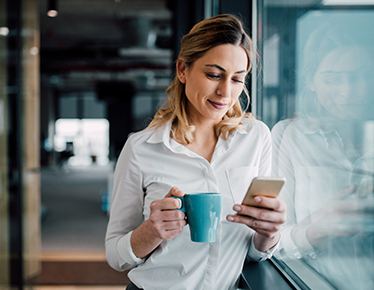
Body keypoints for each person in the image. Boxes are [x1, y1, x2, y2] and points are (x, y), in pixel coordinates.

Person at [105, 14, 286, 290]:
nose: (225, 92)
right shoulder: (142, 148)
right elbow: (115, 256)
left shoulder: (256, 137)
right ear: (182, 70)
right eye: (214, 75)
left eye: (237, 79)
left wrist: (269, 234)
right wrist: (151, 232)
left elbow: (252, 250)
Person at [272, 16, 374, 289]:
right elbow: (271, 242)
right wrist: (323, 227)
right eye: (332, 80)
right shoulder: (288, 137)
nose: (349, 91)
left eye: (362, 76)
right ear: (312, 81)